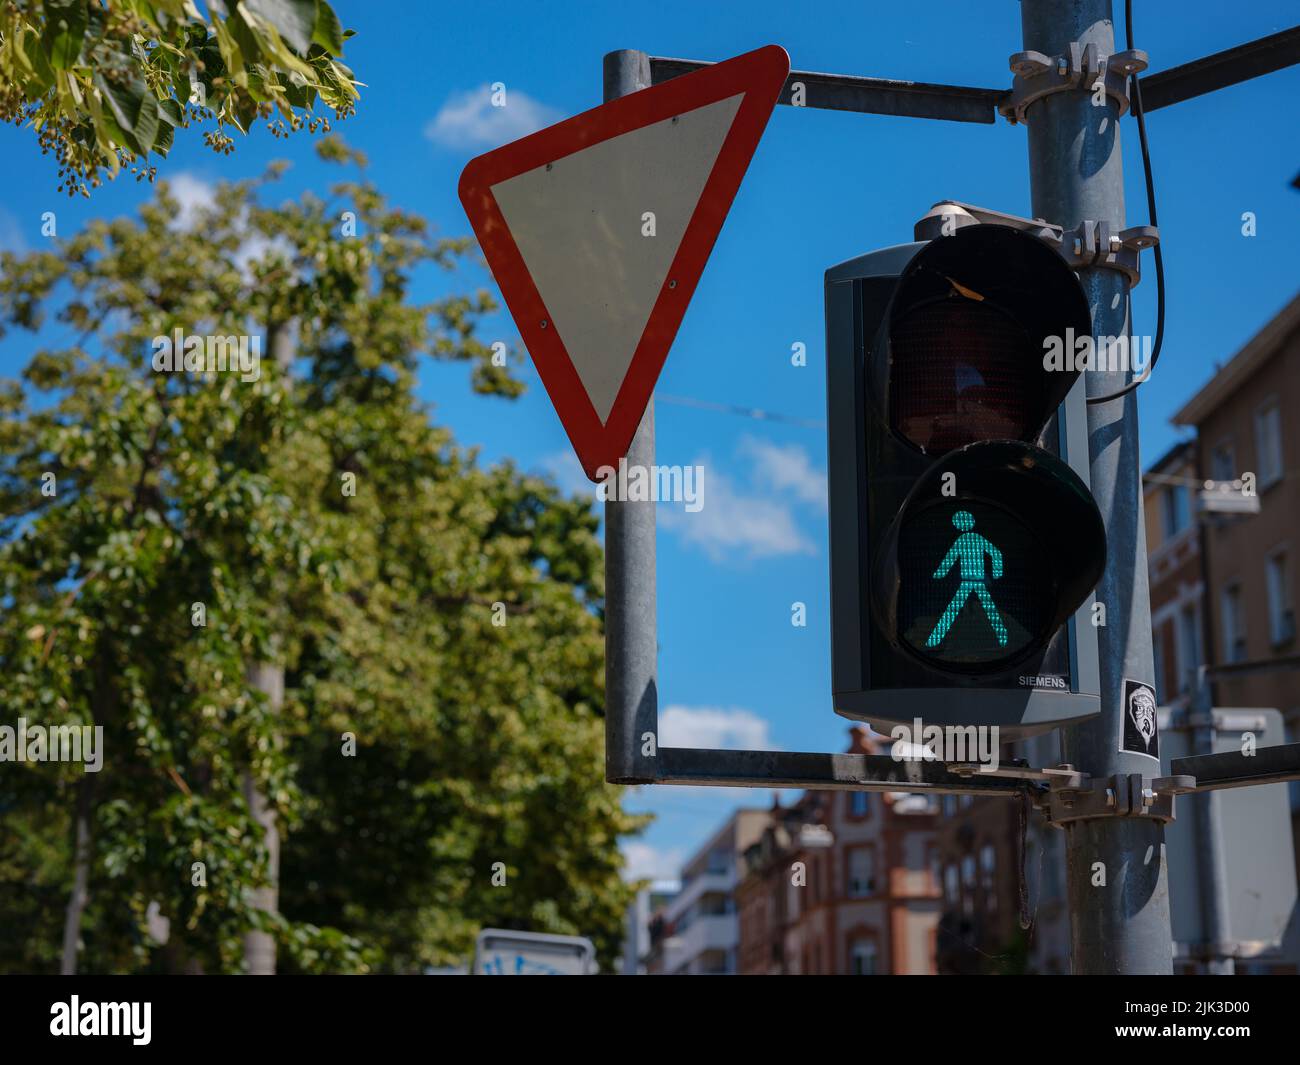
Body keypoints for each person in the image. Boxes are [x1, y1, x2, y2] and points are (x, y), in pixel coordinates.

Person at [924, 510, 1008, 648]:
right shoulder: (974, 539)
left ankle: (935, 639)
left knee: (955, 608)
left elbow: (950, 559)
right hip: (973, 580)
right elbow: (996, 553)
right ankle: (1002, 637)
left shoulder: (964, 540)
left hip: (970, 580)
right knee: (985, 608)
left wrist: (940, 573)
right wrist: (996, 573)